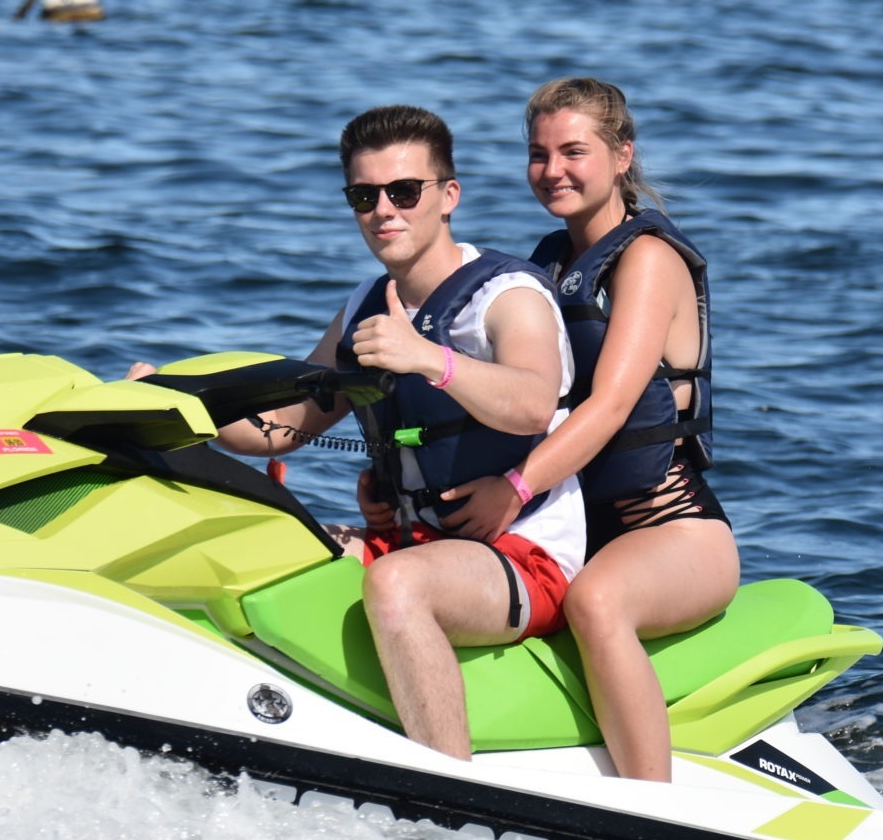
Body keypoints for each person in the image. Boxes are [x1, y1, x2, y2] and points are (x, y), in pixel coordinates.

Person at [132, 105, 583, 761]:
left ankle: (450, 794)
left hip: (525, 554)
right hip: (405, 538)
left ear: (448, 196)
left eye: (405, 191)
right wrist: (168, 405)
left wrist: (430, 357)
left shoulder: (509, 297)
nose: (384, 211)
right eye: (364, 195)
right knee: (251, 543)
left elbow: (532, 404)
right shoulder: (367, 305)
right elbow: (283, 428)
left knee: (398, 584)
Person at [431, 79, 739, 782]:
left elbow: (606, 407)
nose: (553, 170)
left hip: (672, 530)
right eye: (538, 154)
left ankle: (653, 816)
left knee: (597, 601)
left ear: (621, 154)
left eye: (574, 151)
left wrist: (512, 490)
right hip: (567, 524)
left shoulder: (647, 260)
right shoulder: (545, 266)